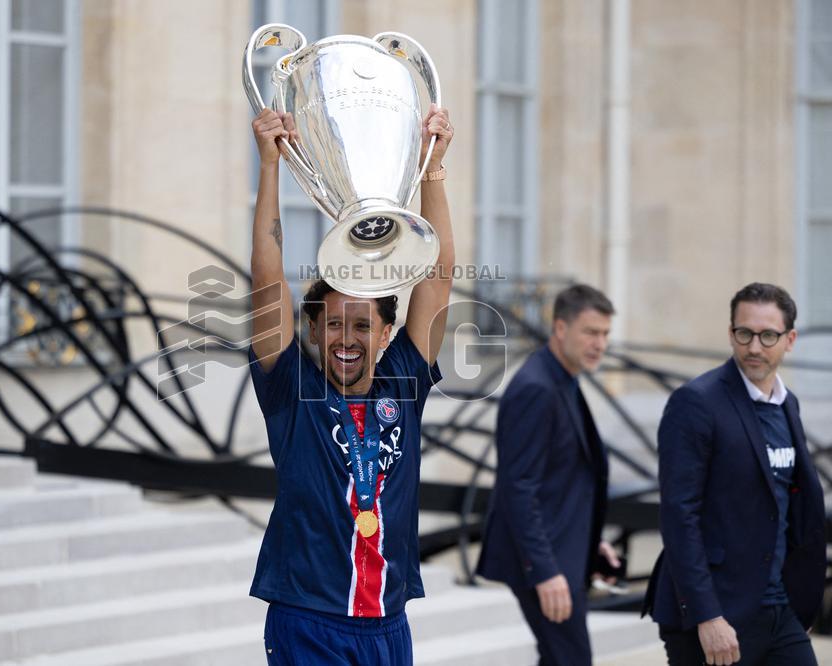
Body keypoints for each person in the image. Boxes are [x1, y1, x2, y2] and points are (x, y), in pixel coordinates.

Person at [246, 103, 455, 665]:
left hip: (387, 624)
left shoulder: (404, 383)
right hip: (309, 620)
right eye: (333, 322)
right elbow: (267, 286)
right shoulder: (294, 391)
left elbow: (438, 278)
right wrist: (268, 167)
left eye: (362, 325)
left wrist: (432, 169)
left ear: (386, 332)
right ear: (314, 328)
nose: (346, 337)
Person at [643, 283, 826, 666]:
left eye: (768, 335)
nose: (754, 347)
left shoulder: (786, 403)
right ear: (731, 333)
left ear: (789, 339)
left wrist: (799, 600)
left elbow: (790, 507)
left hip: (778, 607)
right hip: (716, 612)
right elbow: (680, 516)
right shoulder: (696, 402)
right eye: (744, 333)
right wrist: (707, 615)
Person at [476, 284, 621, 666]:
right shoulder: (536, 388)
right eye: (590, 332)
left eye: (605, 334)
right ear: (560, 328)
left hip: (563, 552)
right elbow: (517, 489)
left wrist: (592, 542)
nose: (600, 344)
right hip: (543, 562)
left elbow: (566, 479)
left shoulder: (563, 378)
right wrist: (545, 572)